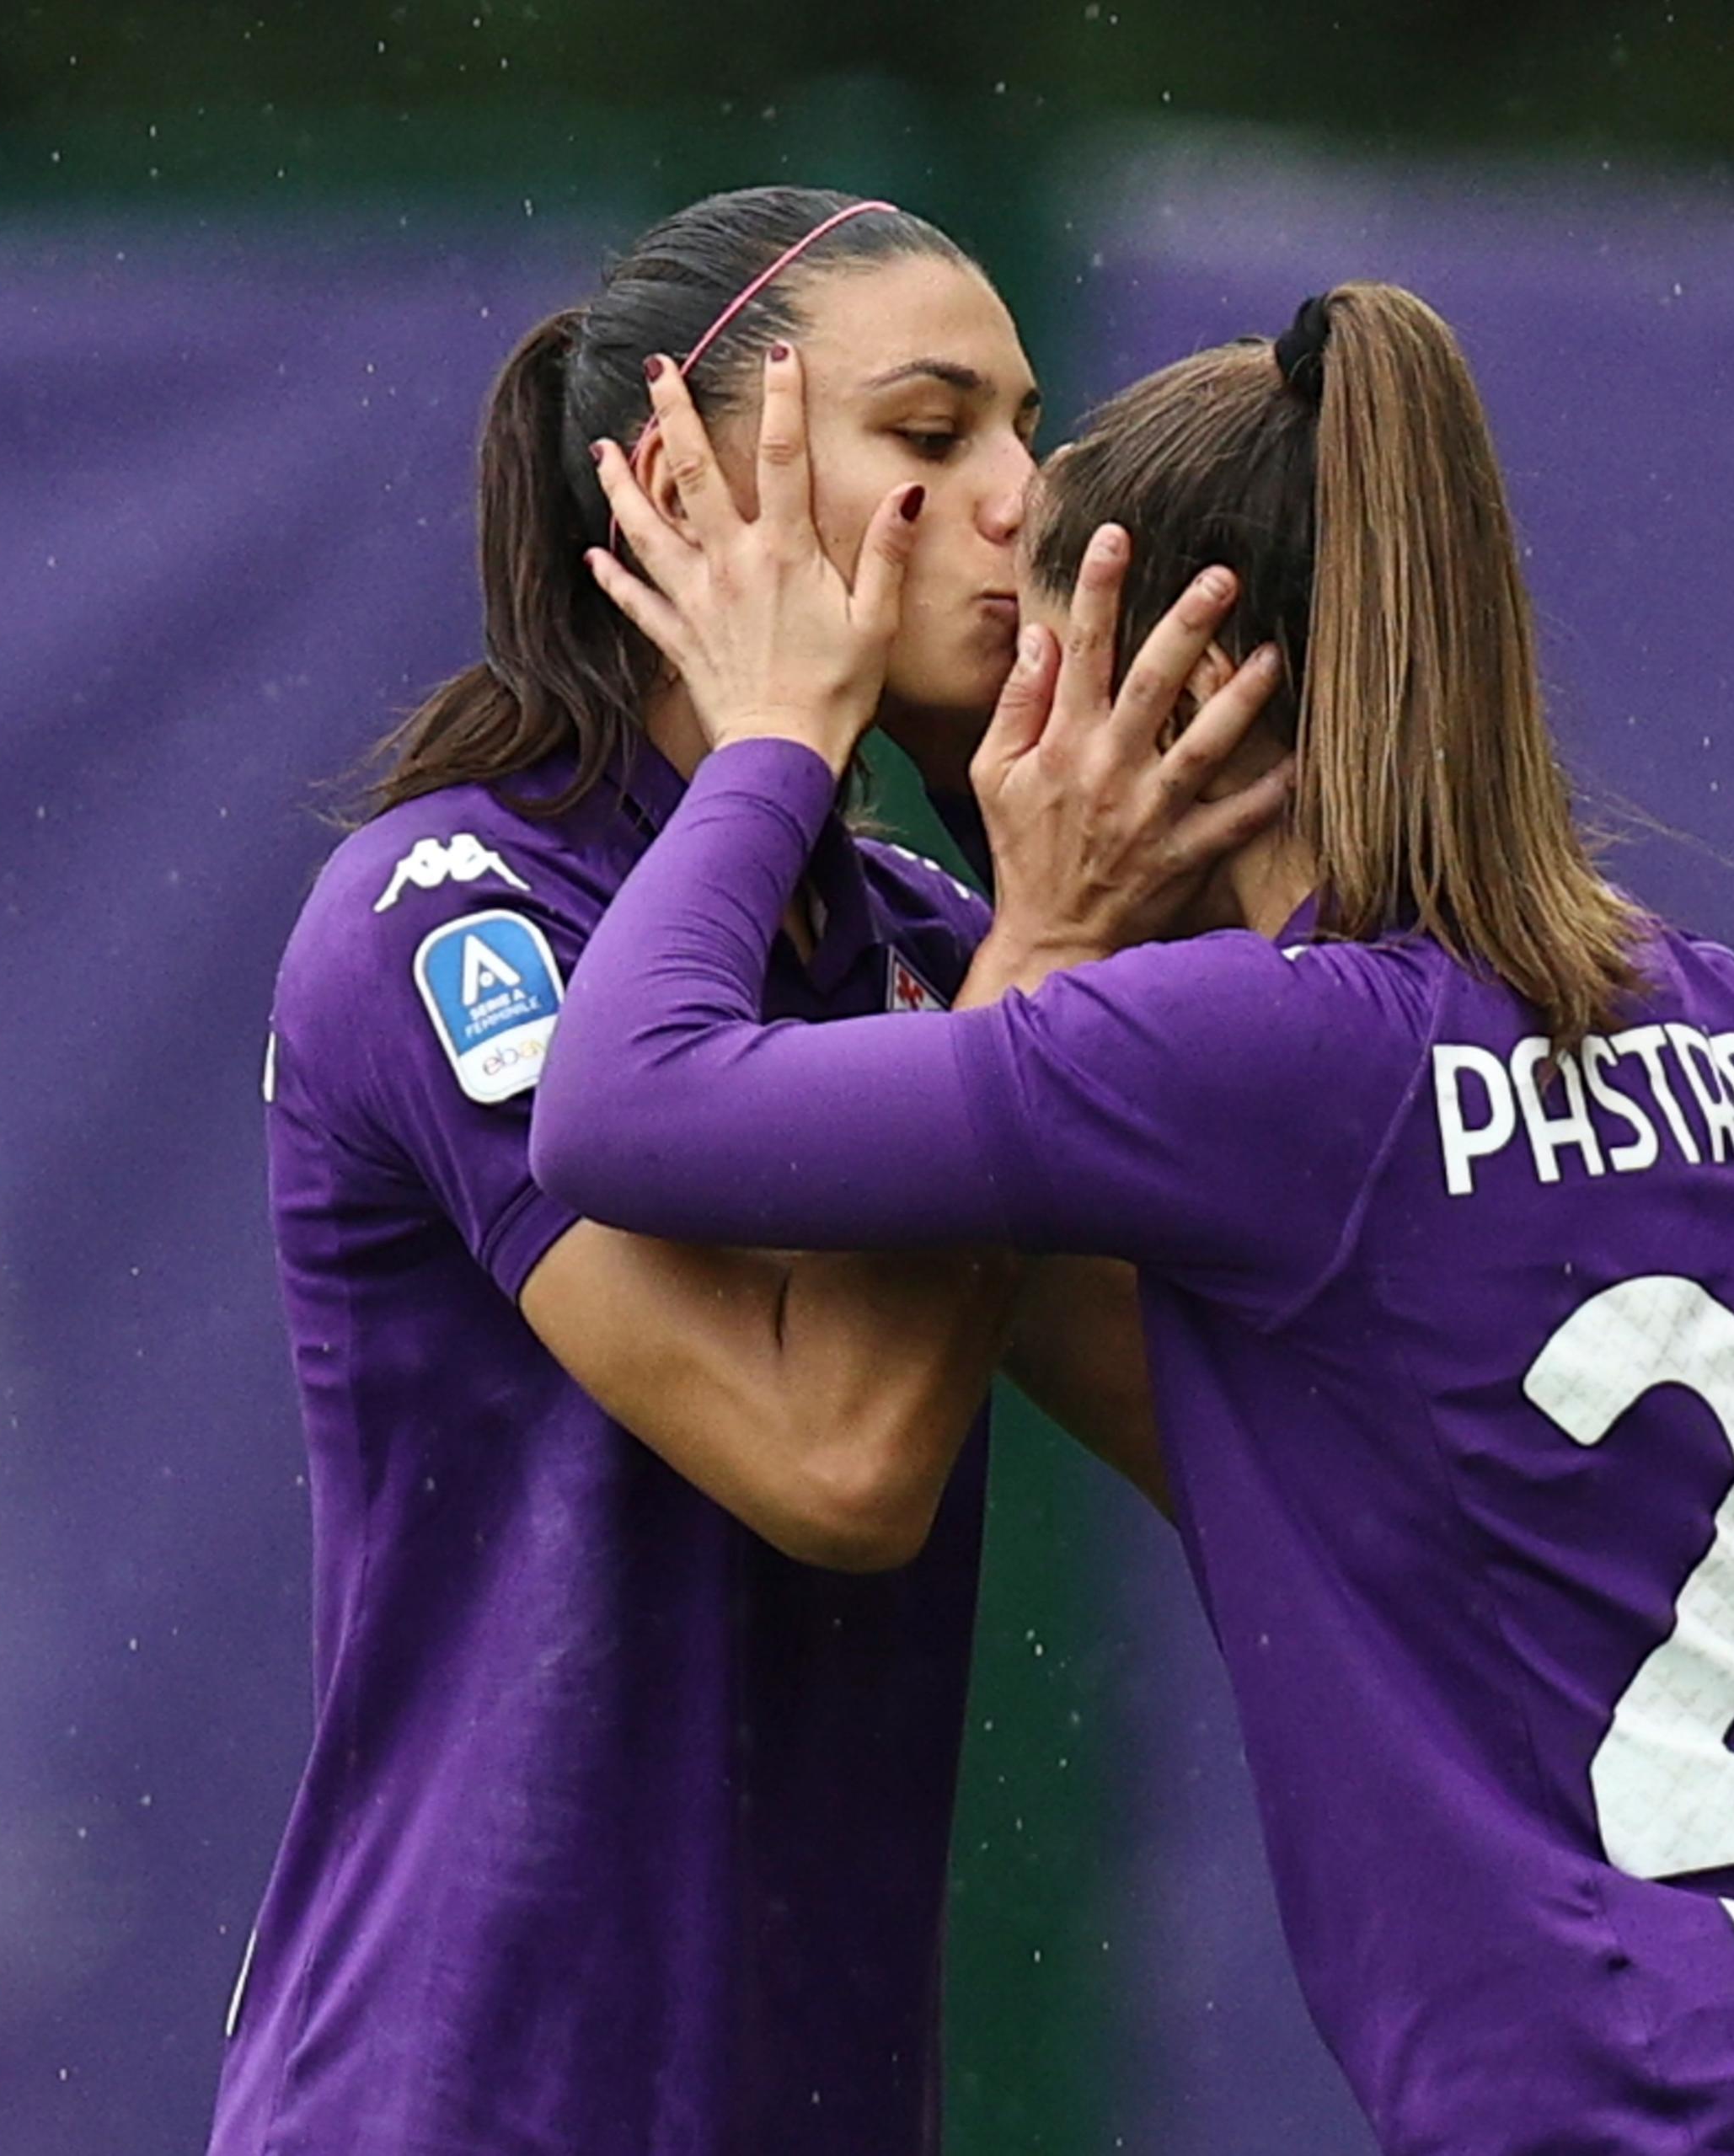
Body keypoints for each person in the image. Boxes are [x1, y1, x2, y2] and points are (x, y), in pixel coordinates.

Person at [532, 282, 1734, 2153]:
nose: (999, 755)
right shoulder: (1695, 995)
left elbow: (619, 1098)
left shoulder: (1254, 1057)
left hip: (1697, 2113)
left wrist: (774, 735)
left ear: (1176, 701)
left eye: (1037, 685)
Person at [207, 185, 1279, 2156]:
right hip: (470, 2102)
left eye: (1023, 432)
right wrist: (1029, 955)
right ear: (684, 483)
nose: (1019, 501)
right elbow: (833, 1459)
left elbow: (1257, 1452)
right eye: (932, 434)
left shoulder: (932, 938)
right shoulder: (450, 913)